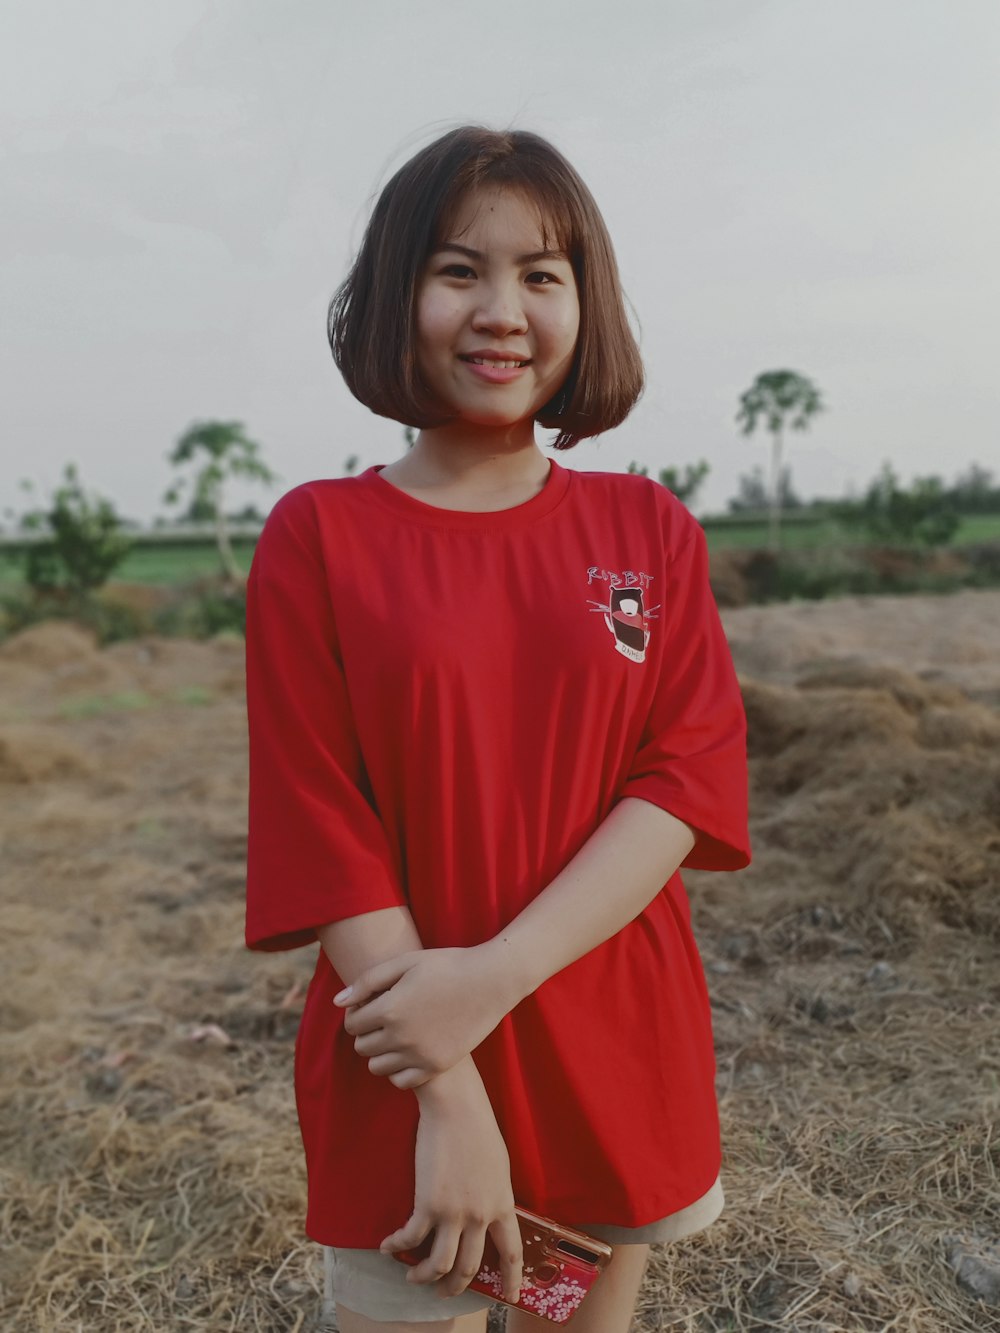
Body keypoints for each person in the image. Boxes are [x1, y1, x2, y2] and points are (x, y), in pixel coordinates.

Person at [244, 125, 750, 1333]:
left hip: (607, 1042)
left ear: (587, 302)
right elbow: (320, 818)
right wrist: (449, 1090)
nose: (502, 310)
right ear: (396, 293)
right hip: (402, 1062)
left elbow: (682, 779)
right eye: (458, 269)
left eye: (541, 273)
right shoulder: (319, 537)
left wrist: (493, 977)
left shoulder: (646, 528)